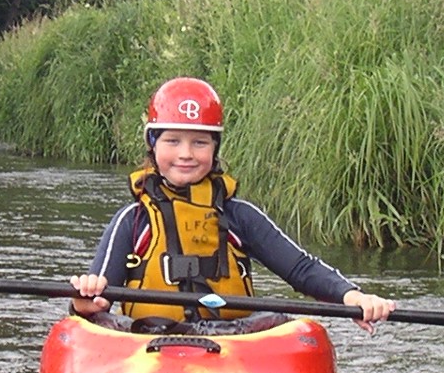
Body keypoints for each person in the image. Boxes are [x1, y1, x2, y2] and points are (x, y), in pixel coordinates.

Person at [68, 77, 396, 334]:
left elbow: (300, 269)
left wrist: (353, 297)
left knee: (290, 325)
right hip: (149, 341)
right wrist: (84, 300)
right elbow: (97, 302)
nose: (186, 153)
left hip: (232, 343)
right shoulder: (134, 220)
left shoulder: (239, 216)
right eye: (172, 141)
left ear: (214, 149)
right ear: (153, 147)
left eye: (199, 142)